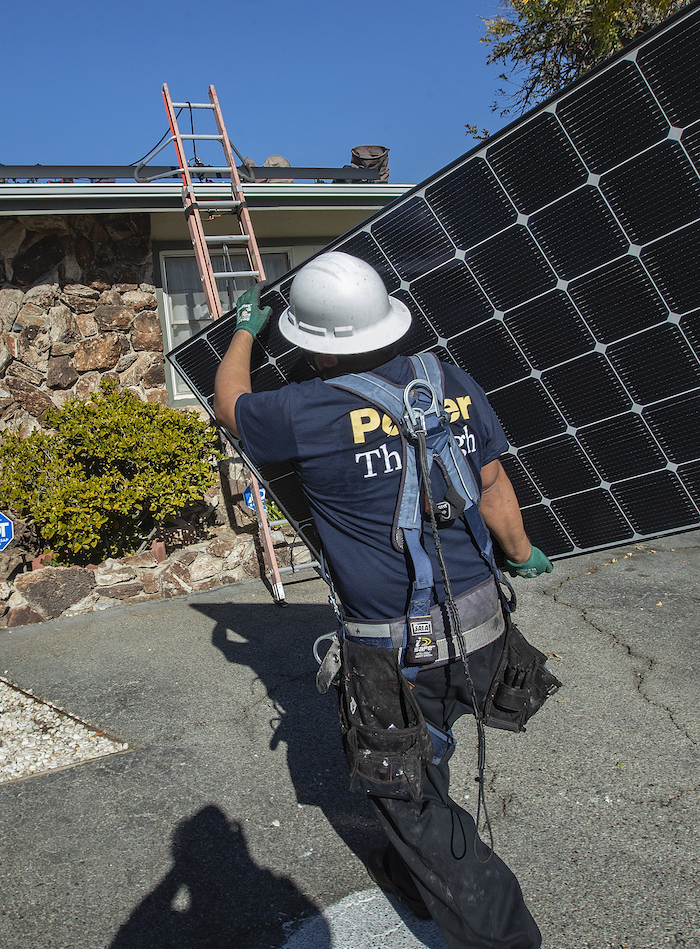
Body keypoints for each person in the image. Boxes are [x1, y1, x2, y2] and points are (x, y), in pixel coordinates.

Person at [213, 251, 553, 949]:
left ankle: (503, 935)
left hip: (399, 655)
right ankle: (410, 879)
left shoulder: (304, 409)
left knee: (406, 795)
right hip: (487, 629)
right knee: (428, 751)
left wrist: (246, 331)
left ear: (311, 342)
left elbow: (230, 406)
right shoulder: (448, 380)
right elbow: (491, 483)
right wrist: (521, 550)